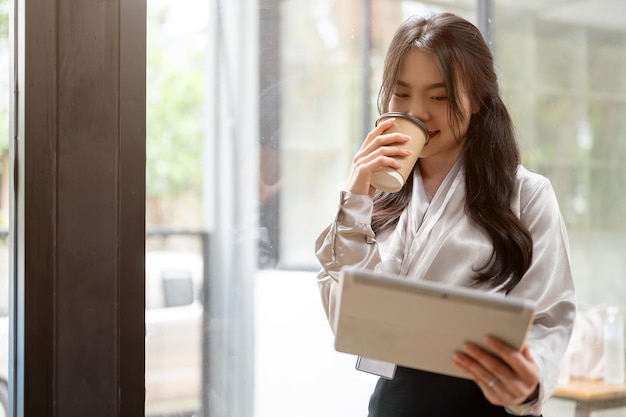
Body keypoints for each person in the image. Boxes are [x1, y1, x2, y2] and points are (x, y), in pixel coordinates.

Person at [314, 12, 576, 417]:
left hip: (489, 406)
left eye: (440, 97)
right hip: (397, 404)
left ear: (477, 98)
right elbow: (350, 321)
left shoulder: (526, 193)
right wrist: (354, 197)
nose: (418, 112)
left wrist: (529, 383)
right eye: (401, 94)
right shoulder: (374, 200)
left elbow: (549, 319)